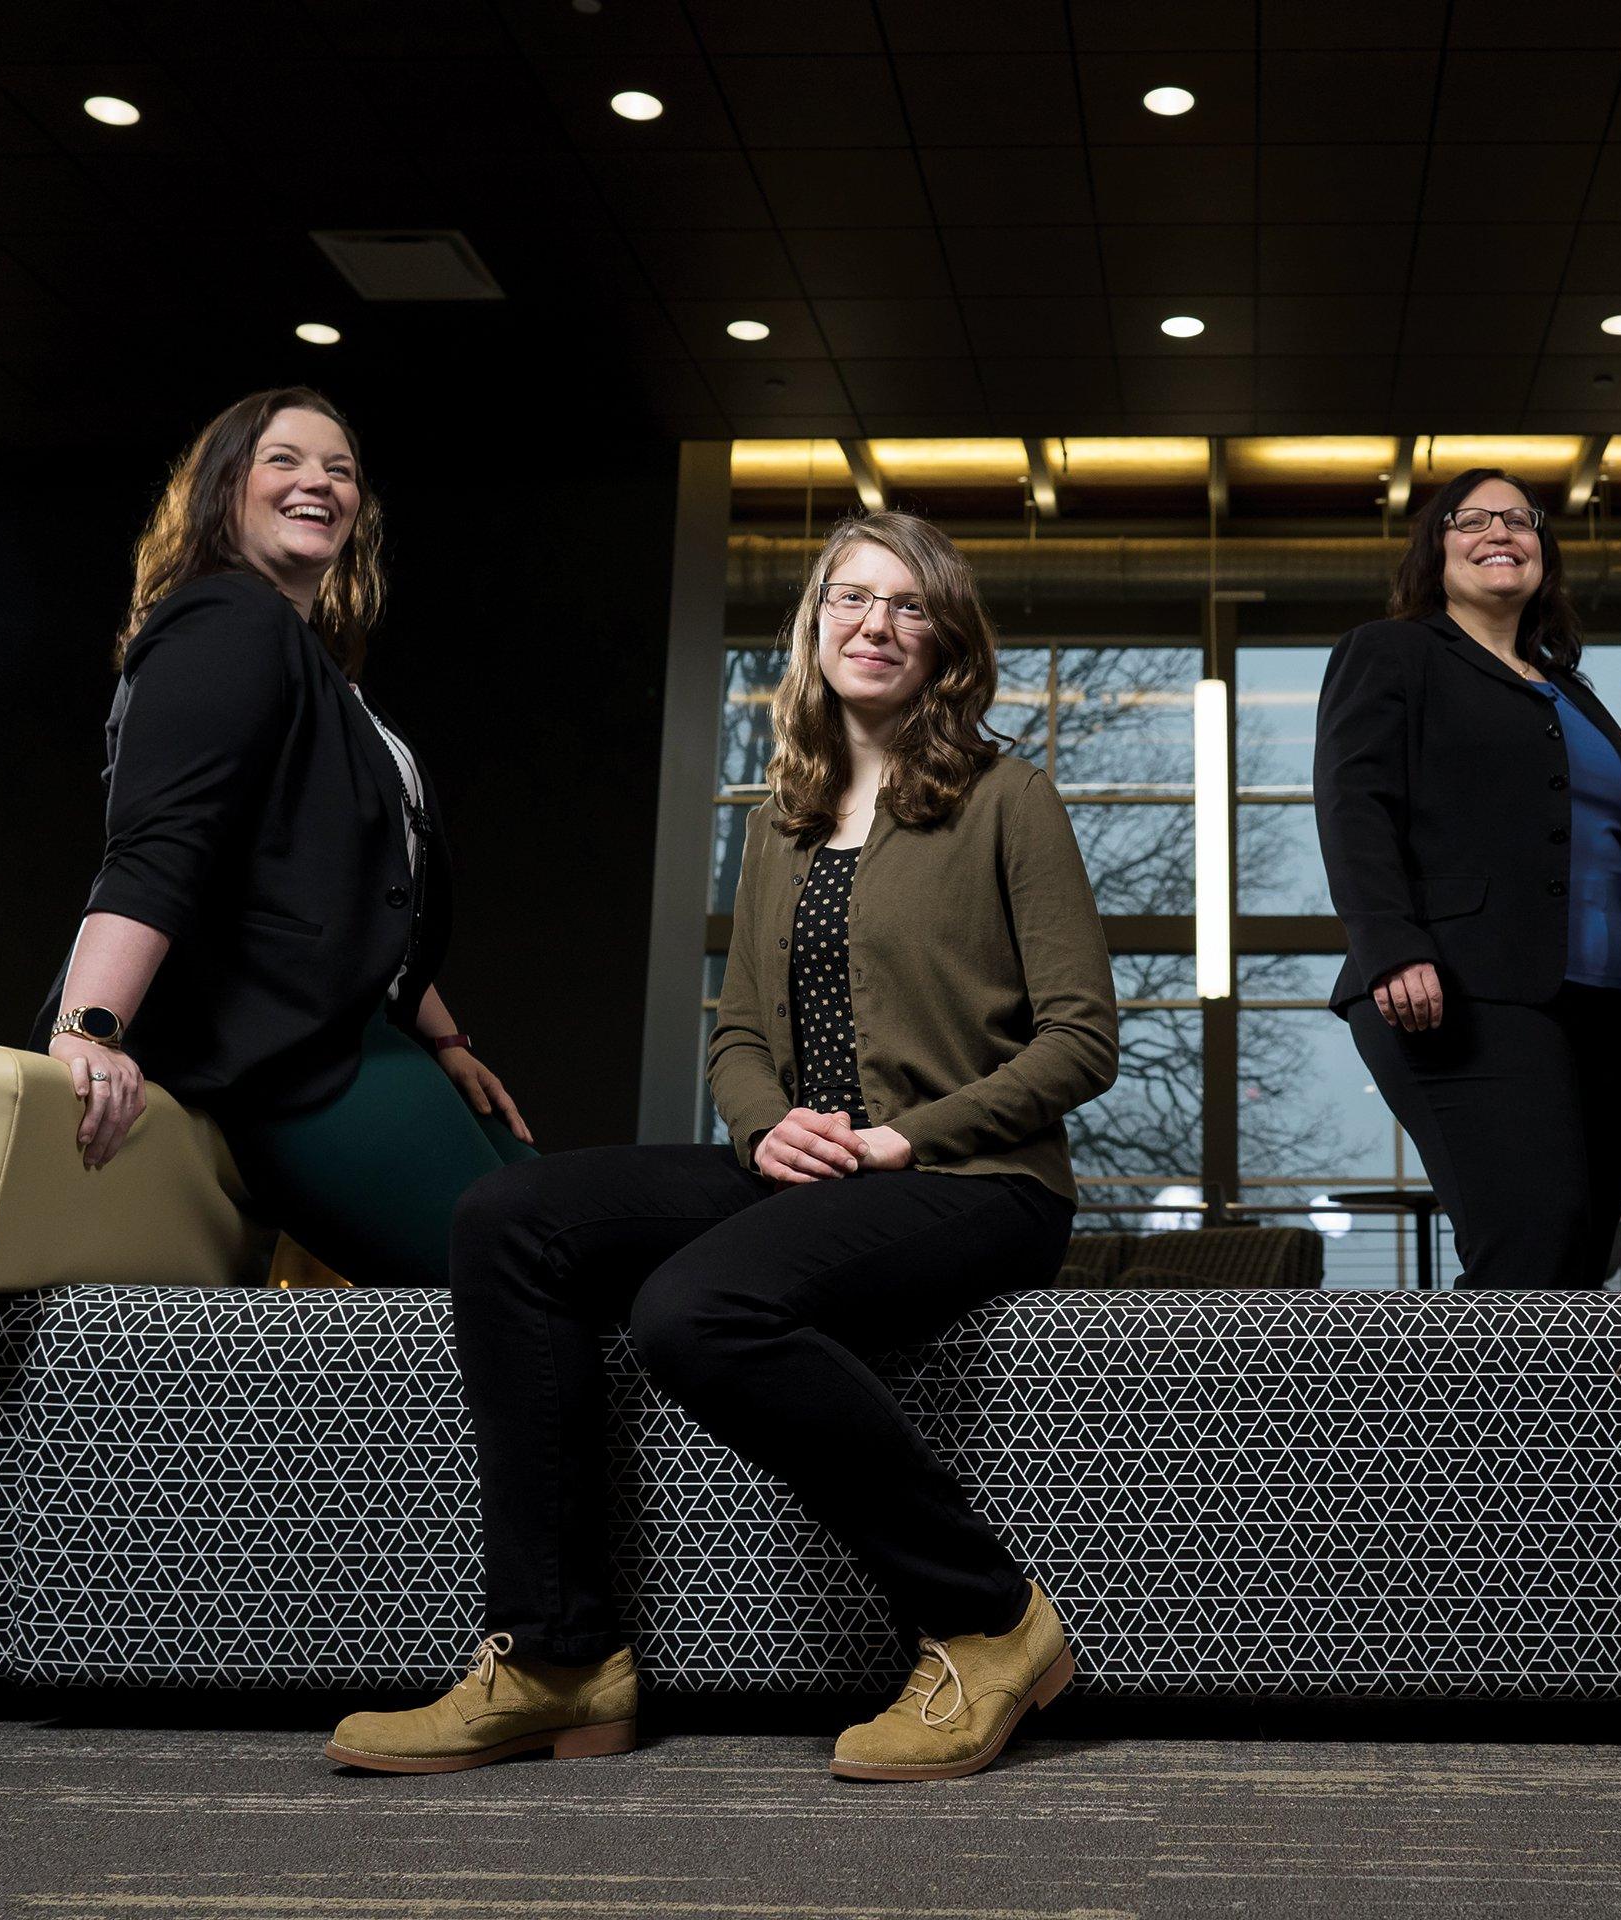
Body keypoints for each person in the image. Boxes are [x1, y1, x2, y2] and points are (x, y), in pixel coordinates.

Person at [325, 510, 1116, 1782]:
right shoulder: (780, 819)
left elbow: (1081, 1043)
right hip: (804, 1164)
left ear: (945, 643)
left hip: (974, 1181)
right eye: (850, 599)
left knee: (695, 1311)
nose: (876, 625)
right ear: (814, 627)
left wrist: (903, 1140)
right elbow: (741, 1036)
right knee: (509, 1219)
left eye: (908, 606)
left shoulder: (1006, 798)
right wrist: (766, 1124)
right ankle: (559, 1657)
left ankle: (988, 1619)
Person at [39, 386, 535, 1289]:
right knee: (532, 1268)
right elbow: (159, 849)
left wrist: (449, 1043)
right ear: (224, 488)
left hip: (351, 1032)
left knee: (559, 1232)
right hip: (280, 1052)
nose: (320, 483)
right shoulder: (225, 623)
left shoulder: (309, 660)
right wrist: (90, 1030)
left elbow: (357, 892)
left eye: (340, 470)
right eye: (286, 461)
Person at [1311, 467, 1621, 1290]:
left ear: (1544, 552)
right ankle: (1451, 1423)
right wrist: (1391, 947)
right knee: (1531, 1244)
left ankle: (1532, 1424)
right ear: (1436, 551)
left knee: (1578, 1263)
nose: (1500, 532)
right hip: (1458, 991)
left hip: (1603, 1011)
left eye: (1520, 519)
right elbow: (1355, 809)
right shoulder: (1392, 653)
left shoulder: (1574, 693)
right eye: (1472, 520)